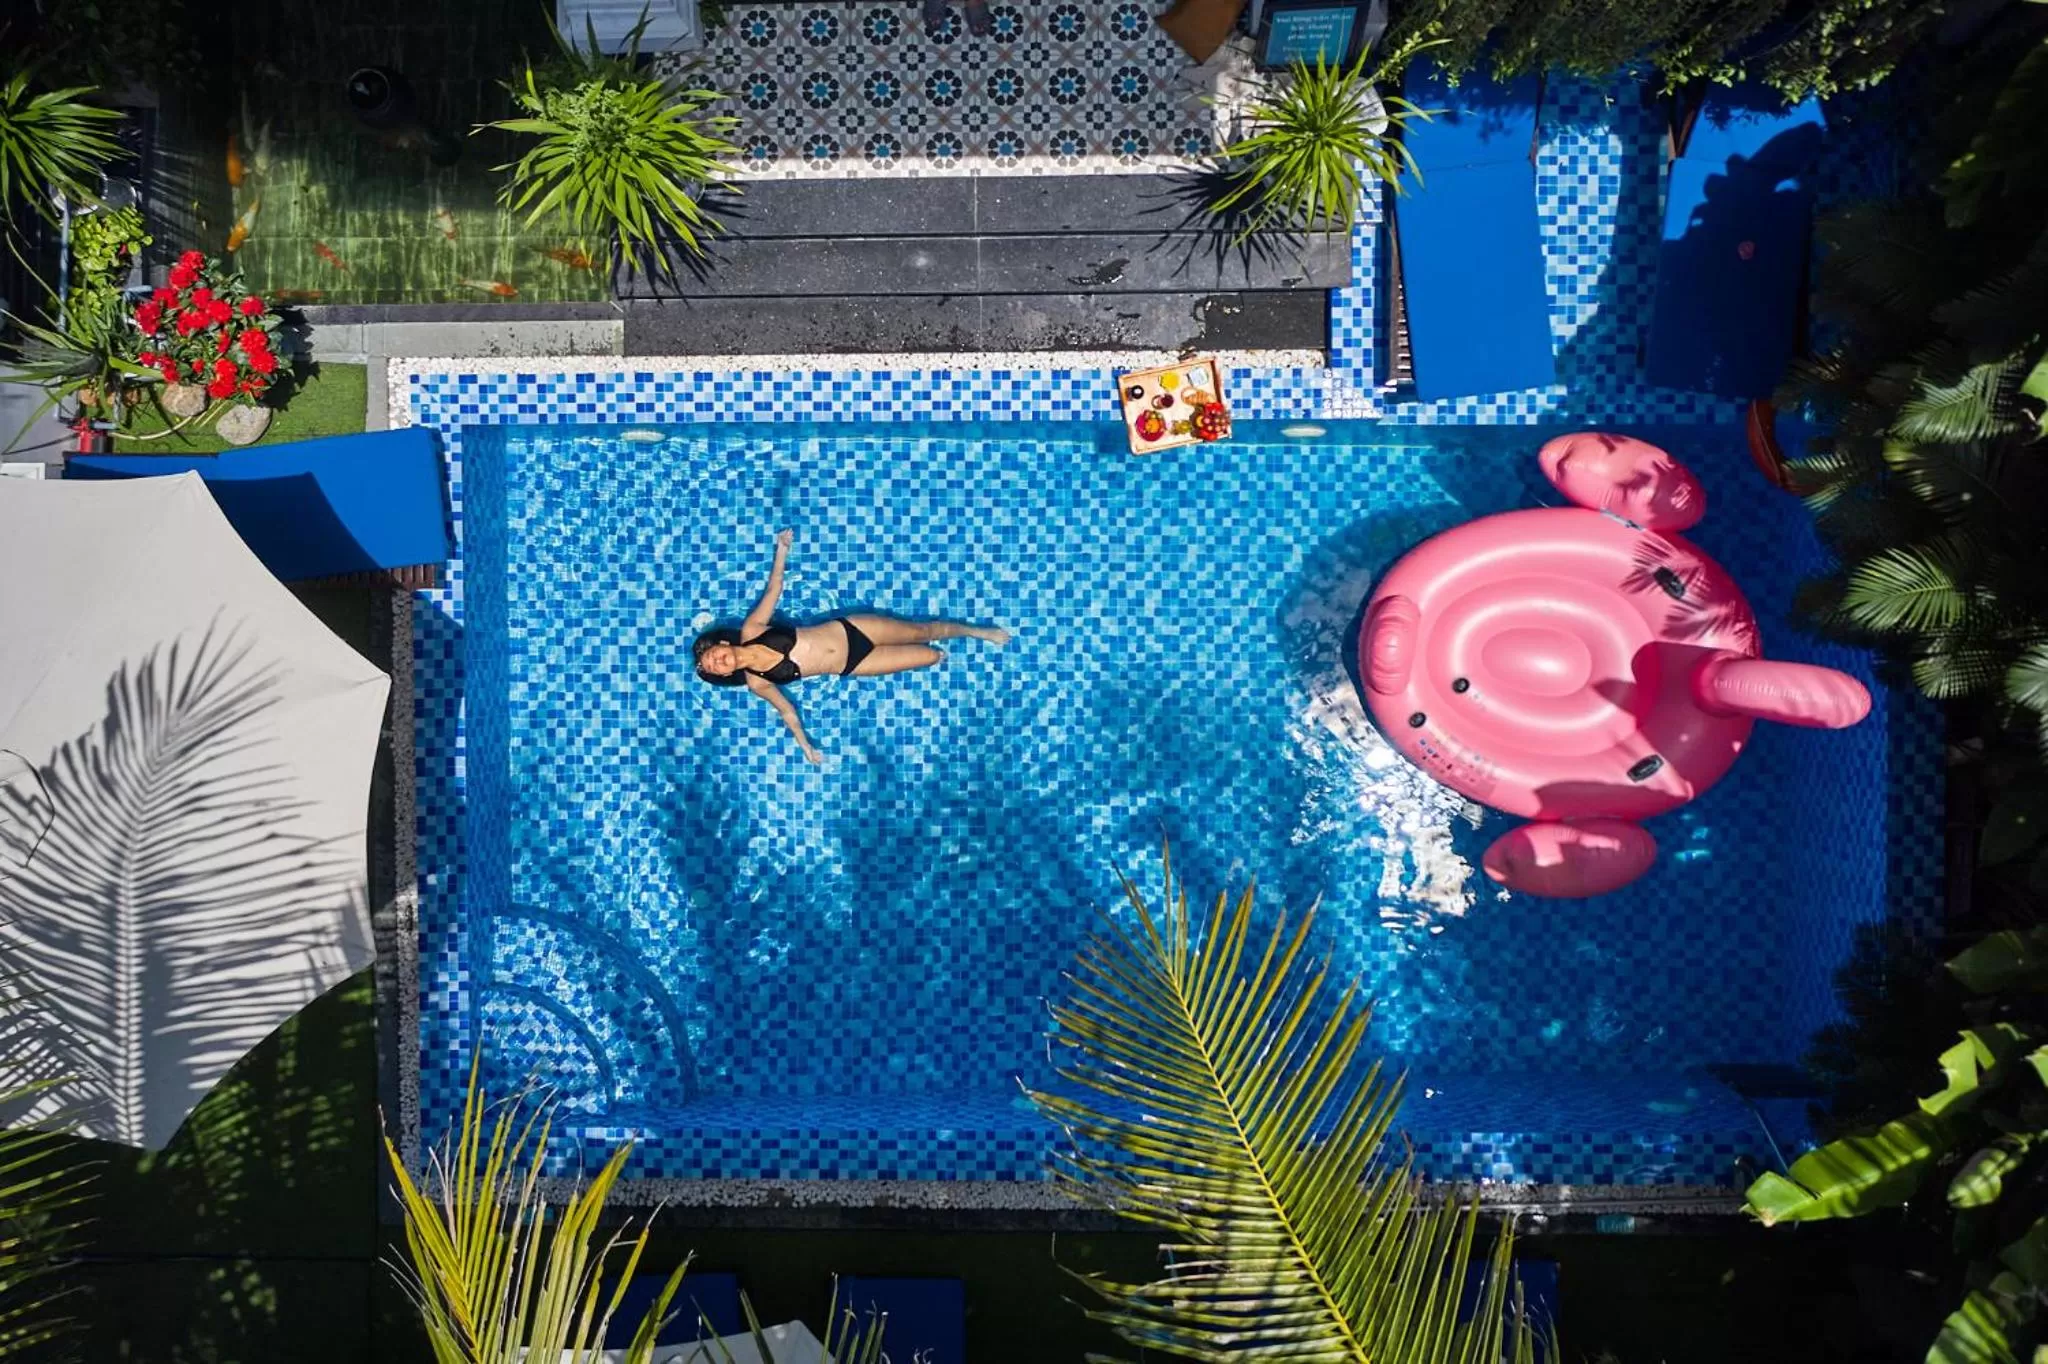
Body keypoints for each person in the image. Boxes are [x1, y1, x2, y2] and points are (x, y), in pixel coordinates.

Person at [693, 529, 1010, 763]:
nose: (718, 662)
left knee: (922, 630)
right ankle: (949, 650)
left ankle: (977, 632)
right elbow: (787, 711)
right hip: (854, 665)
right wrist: (805, 746)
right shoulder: (757, 682)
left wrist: (782, 549)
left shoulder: (751, 628)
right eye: (714, 668)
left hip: (852, 630)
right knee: (930, 655)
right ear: (725, 674)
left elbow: (774, 587)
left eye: (712, 656)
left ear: (722, 643)